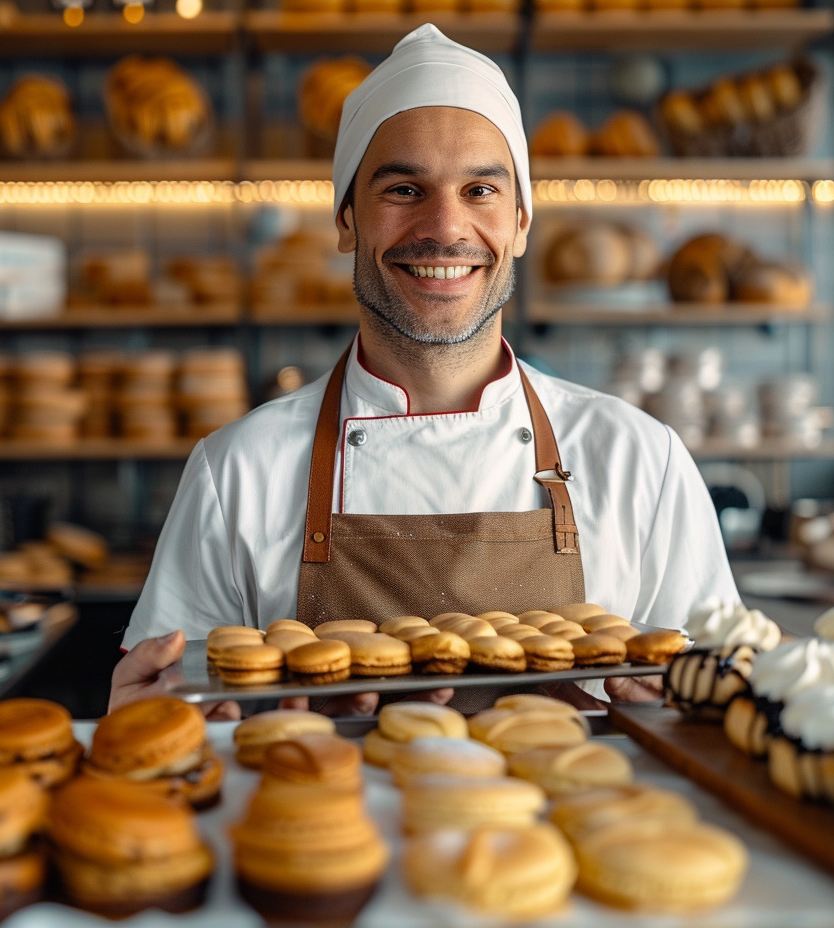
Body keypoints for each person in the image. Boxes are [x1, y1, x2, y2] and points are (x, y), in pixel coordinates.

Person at [110, 24, 738, 717]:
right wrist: (152, 716)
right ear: (347, 221)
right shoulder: (237, 473)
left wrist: (670, 711)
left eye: (480, 190)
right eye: (405, 189)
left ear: (522, 223)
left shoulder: (642, 462)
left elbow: (722, 721)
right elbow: (169, 733)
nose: (445, 226)